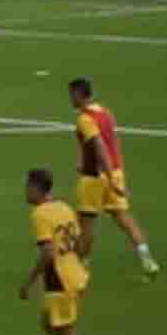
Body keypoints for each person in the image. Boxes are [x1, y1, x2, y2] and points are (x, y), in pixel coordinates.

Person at [68, 78, 160, 278]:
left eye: (71, 95)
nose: (69, 99)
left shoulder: (85, 118)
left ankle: (81, 267)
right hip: (116, 171)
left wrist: (107, 176)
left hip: (96, 176)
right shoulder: (107, 114)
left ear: (78, 94)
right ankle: (147, 259)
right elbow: (109, 143)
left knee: (87, 224)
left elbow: (99, 146)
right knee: (123, 217)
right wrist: (115, 178)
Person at [19, 169, 95, 335]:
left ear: (36, 188)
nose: (25, 191)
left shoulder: (40, 215)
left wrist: (29, 282)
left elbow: (48, 253)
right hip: (74, 275)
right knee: (49, 324)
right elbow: (80, 242)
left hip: (60, 282)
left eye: (27, 186)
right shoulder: (63, 207)